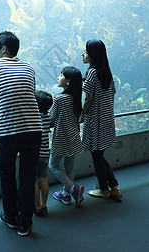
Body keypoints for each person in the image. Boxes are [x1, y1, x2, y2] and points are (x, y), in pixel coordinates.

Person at [0, 31, 42, 236]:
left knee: (7, 174)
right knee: (27, 175)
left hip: (8, 131)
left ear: (3, 48)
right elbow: (28, 96)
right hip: (34, 129)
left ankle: (10, 216)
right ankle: (25, 222)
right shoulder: (29, 67)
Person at [80, 39, 122, 200]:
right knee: (100, 155)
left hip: (95, 121)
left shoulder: (91, 73)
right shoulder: (107, 72)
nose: (82, 54)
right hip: (107, 120)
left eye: (85, 51)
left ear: (93, 54)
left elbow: (88, 99)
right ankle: (114, 187)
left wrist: (82, 114)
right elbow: (113, 93)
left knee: (96, 156)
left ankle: (104, 189)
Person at [49, 66, 85, 207]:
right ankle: (65, 195)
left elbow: (51, 118)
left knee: (53, 165)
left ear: (68, 81)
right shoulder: (76, 98)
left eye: (61, 75)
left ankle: (72, 189)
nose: (58, 77)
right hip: (74, 136)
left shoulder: (59, 98)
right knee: (70, 167)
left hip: (61, 138)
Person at [34, 90, 53, 217]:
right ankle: (44, 205)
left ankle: (37, 206)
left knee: (33, 181)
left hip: (35, 154)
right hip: (46, 153)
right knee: (43, 179)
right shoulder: (47, 118)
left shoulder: (35, 118)